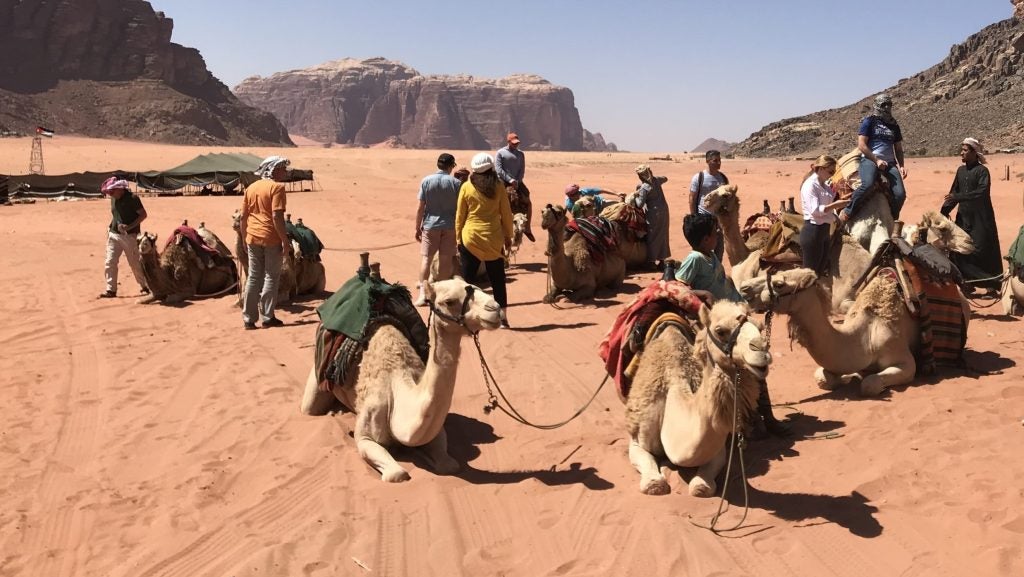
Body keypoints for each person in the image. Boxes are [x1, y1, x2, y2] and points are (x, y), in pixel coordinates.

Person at [676, 213, 788, 438]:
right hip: (717, 325)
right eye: (714, 233)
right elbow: (678, 286)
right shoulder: (694, 259)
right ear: (706, 239)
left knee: (757, 360)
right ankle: (751, 420)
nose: (718, 236)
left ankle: (765, 416)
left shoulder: (711, 256)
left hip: (733, 316)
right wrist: (702, 293)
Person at [456, 152, 514, 328]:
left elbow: (460, 215)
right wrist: (508, 237)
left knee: (467, 281)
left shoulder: (466, 186)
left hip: (471, 238)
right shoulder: (499, 187)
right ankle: (503, 319)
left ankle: (464, 316)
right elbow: (506, 214)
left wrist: (458, 238)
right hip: (493, 240)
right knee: (497, 280)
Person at [941, 138, 1002, 297]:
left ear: (975, 153)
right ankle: (968, 284)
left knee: (983, 250)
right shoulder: (960, 171)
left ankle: (991, 287)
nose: (962, 152)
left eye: (966, 150)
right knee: (961, 249)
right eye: (961, 149)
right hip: (964, 218)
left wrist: (958, 197)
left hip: (981, 219)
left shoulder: (982, 171)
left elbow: (981, 192)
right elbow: (953, 192)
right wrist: (943, 212)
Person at [240, 156, 292, 330]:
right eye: (282, 169)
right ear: (274, 170)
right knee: (271, 276)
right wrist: (284, 240)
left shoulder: (251, 187)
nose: (285, 172)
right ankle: (268, 316)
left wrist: (244, 237)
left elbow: (243, 217)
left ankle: (248, 318)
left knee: (254, 277)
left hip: (252, 237)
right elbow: (277, 216)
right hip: (271, 238)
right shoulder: (277, 188)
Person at [841, 93, 907, 223]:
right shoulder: (869, 121)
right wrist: (876, 160)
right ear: (877, 105)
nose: (887, 107)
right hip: (869, 160)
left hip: (889, 164)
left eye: (889, 104)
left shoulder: (894, 125)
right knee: (868, 184)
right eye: (884, 104)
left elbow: (898, 149)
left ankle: (893, 219)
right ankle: (847, 213)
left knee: (900, 194)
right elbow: (861, 144)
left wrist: (902, 165)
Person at [413, 153, 461, 305]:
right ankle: (440, 294)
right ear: (451, 166)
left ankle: (423, 294)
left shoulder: (426, 181)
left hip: (430, 225)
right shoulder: (455, 183)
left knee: (426, 259)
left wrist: (417, 227)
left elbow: (421, 207)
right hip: (450, 226)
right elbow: (460, 207)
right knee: (445, 260)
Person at [99, 177, 149, 298]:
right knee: (110, 262)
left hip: (130, 236)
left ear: (120, 189)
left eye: (111, 192)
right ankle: (111, 290)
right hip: (113, 234)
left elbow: (143, 215)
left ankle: (146, 287)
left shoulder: (133, 199)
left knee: (135, 263)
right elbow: (115, 214)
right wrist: (111, 227)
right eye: (108, 192)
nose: (109, 194)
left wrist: (129, 227)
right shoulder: (113, 198)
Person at [799, 155, 849, 276]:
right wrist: (836, 204)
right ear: (821, 169)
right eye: (830, 171)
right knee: (809, 275)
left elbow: (826, 202)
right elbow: (815, 210)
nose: (832, 174)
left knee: (820, 272)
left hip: (824, 231)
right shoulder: (810, 185)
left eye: (834, 172)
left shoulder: (825, 186)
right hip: (813, 231)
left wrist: (837, 194)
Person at [494, 132, 535, 242]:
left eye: (517, 143)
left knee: (527, 200)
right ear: (508, 142)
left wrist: (518, 181)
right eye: (513, 143)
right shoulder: (500, 153)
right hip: (503, 181)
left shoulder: (521, 154)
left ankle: (527, 228)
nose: (516, 145)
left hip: (517, 182)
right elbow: (498, 169)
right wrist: (510, 180)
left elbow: (522, 169)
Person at [689, 150, 729, 260]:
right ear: (707, 161)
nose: (718, 163)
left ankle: (715, 274)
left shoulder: (723, 178)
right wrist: (694, 218)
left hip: (719, 223)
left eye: (719, 160)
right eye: (715, 160)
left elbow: (727, 199)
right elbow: (692, 198)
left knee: (718, 252)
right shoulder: (699, 177)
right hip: (703, 220)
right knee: (702, 252)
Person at [633, 164, 671, 270]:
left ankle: (651, 262)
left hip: (654, 214)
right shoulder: (657, 180)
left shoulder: (644, 187)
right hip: (664, 211)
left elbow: (640, 204)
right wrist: (653, 177)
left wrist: (636, 196)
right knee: (663, 234)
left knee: (652, 236)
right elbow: (665, 178)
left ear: (641, 176)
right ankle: (662, 261)